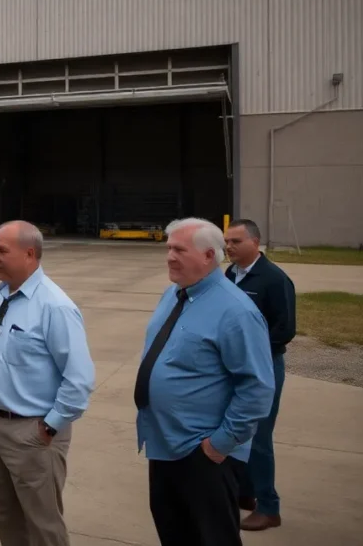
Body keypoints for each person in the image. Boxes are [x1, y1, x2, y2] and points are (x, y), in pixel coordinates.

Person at [135, 217, 275, 546]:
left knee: (212, 537)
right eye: (168, 248)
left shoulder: (236, 311)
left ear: (209, 255)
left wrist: (218, 446)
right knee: (174, 533)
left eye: (179, 250)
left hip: (203, 454)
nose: (170, 257)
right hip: (164, 444)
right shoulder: (173, 294)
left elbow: (257, 388)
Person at [0, 221, 95, 546]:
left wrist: (50, 426)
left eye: (2, 251)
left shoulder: (55, 306)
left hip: (33, 432)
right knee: (4, 513)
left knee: (43, 525)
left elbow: (79, 378)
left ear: (29, 254)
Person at [223, 218, 296, 532]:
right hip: (234, 366)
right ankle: (245, 493)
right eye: (227, 241)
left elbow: (285, 329)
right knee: (237, 431)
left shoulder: (274, 279)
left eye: (235, 242)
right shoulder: (230, 274)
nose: (229, 247)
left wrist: (252, 350)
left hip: (263, 367)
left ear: (255, 242)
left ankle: (269, 508)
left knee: (259, 436)